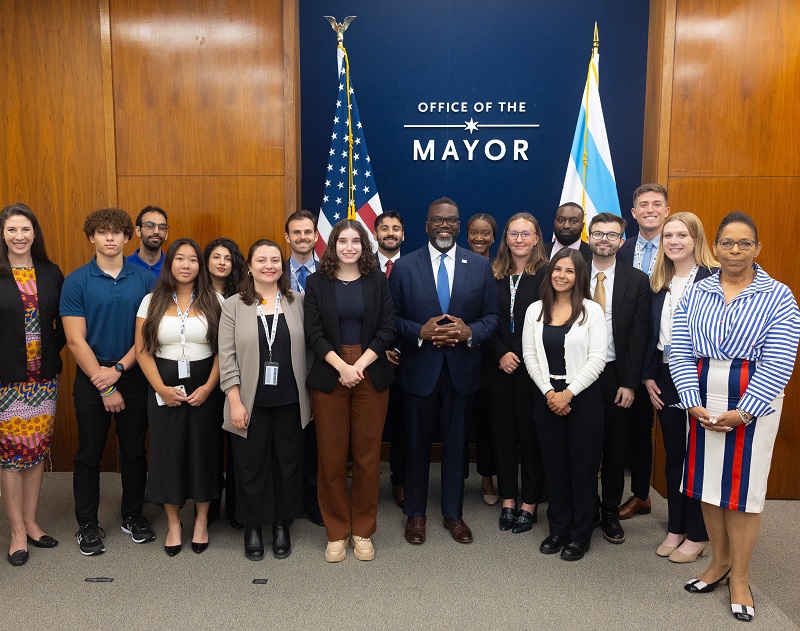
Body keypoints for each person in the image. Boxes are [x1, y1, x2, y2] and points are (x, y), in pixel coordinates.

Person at [672, 211, 799, 622]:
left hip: (752, 403)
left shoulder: (779, 295)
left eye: (744, 243)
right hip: (703, 400)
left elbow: (780, 360)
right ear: (716, 247)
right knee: (710, 485)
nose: (735, 250)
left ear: (757, 249)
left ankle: (741, 577)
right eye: (727, 242)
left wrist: (744, 412)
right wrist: (691, 400)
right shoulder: (697, 291)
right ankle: (719, 563)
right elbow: (679, 346)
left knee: (743, 492)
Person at [389, 197, 499, 546]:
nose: (444, 227)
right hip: (419, 371)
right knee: (417, 446)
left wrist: (470, 333)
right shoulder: (405, 267)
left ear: (458, 224)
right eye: (437, 221)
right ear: (426, 225)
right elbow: (390, 320)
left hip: (462, 371)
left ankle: (453, 514)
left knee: (455, 447)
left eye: (451, 221)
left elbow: (492, 318)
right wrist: (417, 332)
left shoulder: (479, 267)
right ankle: (416, 516)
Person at [60, 208, 156, 556]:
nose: (110, 238)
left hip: (131, 373)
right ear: (91, 238)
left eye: (117, 232)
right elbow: (74, 340)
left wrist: (117, 371)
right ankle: (86, 524)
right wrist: (104, 384)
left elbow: (146, 335)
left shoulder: (145, 280)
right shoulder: (76, 281)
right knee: (89, 453)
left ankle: (132, 514)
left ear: (128, 237)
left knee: (133, 451)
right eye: (102, 232)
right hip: (91, 377)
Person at [304, 219, 395, 562]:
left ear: (364, 245)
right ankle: (337, 532)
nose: (349, 247)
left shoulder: (376, 281)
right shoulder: (317, 283)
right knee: (330, 457)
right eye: (343, 241)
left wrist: (359, 365)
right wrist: (342, 366)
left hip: (370, 371)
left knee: (368, 458)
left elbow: (388, 328)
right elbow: (313, 332)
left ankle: (362, 530)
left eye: (356, 241)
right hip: (331, 373)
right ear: (332, 244)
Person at [218, 239, 310, 562]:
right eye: (261, 260)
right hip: (248, 401)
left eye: (274, 260)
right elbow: (226, 357)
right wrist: (235, 401)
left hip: (290, 400)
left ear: (281, 266)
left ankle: (282, 525)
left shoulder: (297, 301)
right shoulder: (232, 306)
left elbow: (309, 350)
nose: (269, 265)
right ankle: (253, 526)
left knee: (287, 464)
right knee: (251, 466)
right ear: (249, 266)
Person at [135, 238, 223, 556]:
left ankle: (200, 520)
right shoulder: (151, 301)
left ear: (200, 267)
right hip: (163, 386)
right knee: (167, 453)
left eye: (192, 260)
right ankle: (174, 523)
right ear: (169, 264)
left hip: (205, 386)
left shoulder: (215, 300)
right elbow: (143, 351)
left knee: (204, 452)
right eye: (179, 259)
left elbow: (224, 352)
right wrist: (160, 388)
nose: (186, 265)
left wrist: (210, 387)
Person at [522, 248, 607, 560]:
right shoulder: (534, 311)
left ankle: (580, 533)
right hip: (546, 396)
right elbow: (530, 355)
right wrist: (549, 392)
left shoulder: (592, 311)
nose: (562, 275)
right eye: (557, 269)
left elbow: (598, 359)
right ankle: (558, 529)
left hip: (582, 398)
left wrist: (568, 394)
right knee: (554, 467)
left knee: (582, 468)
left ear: (579, 276)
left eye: (569, 271)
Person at [642, 212, 718, 563]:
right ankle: (676, 526)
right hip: (666, 376)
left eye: (682, 235)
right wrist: (647, 375)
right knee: (675, 455)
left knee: (699, 456)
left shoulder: (714, 279)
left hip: (704, 378)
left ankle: (699, 533)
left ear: (696, 239)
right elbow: (647, 335)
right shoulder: (660, 281)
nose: (673, 241)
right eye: (668, 235)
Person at [0, 203, 66, 566]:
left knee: (36, 450)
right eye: (12, 230)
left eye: (25, 229)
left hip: (42, 380)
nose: (19, 236)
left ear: (35, 233)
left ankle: (31, 521)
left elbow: (63, 323)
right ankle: (16, 531)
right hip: (6, 381)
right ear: (2, 235)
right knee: (11, 455)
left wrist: (49, 360)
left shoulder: (50, 272)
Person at [586, 212, 651, 545]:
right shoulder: (572, 272)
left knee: (614, 449)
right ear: (589, 237)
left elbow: (640, 337)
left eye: (611, 235)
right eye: (598, 234)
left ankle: (609, 511)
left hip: (616, 375)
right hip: (578, 376)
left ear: (622, 241)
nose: (604, 240)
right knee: (582, 447)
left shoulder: (637, 280)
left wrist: (630, 382)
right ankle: (583, 509)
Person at [484, 213, 548, 534]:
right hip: (497, 368)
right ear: (505, 238)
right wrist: (499, 353)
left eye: (526, 233)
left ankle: (530, 502)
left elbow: (552, 322)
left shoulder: (547, 275)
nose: (519, 239)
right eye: (513, 234)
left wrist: (523, 356)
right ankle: (508, 498)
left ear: (537, 238)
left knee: (531, 437)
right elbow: (483, 319)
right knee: (503, 437)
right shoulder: (491, 274)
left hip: (533, 371)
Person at [616, 183, 672, 520]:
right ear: (634, 213)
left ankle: (649, 496)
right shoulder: (621, 249)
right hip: (625, 351)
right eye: (643, 204)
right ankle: (630, 493)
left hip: (665, 353)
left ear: (666, 210)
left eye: (657, 204)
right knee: (628, 424)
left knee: (655, 428)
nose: (650, 209)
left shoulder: (677, 246)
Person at [284, 209, 323, 526]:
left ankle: (313, 499)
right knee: (284, 437)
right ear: (287, 237)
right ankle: (286, 500)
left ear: (315, 236)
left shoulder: (331, 273)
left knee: (315, 440)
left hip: (321, 365)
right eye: (296, 233)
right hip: (280, 368)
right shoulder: (270, 271)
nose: (302, 238)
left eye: (307, 232)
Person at [203, 237, 246, 528]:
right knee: (210, 445)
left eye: (227, 258)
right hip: (204, 376)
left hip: (234, 375)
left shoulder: (243, 295)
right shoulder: (194, 293)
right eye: (216, 257)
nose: (221, 262)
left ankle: (237, 507)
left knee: (237, 445)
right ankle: (209, 507)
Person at [465, 212, 499, 506]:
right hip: (463, 353)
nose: (479, 238)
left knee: (490, 421)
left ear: (493, 237)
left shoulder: (501, 268)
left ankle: (488, 478)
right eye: (474, 232)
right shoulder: (461, 264)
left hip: (494, 358)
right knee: (466, 420)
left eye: (485, 233)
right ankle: (472, 476)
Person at [373, 211, 406, 508]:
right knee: (367, 425)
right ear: (375, 234)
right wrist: (378, 349)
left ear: (403, 235)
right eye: (384, 228)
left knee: (402, 424)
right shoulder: (360, 265)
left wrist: (400, 350)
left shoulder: (413, 266)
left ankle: (400, 480)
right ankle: (364, 482)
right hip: (369, 357)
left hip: (407, 359)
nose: (390, 232)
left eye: (395, 228)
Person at [128, 205, 169, 276]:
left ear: (166, 234)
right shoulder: (124, 266)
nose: (156, 231)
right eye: (149, 226)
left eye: (162, 227)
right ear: (138, 231)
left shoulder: (173, 267)